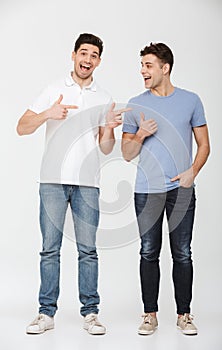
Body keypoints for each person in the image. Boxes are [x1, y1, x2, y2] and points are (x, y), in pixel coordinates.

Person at [17, 33, 129, 335]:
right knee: (49, 250)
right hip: (52, 181)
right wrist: (47, 114)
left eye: (94, 56)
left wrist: (109, 129)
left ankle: (90, 312)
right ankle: (45, 313)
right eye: (83, 53)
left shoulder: (104, 97)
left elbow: (106, 148)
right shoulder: (54, 89)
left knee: (88, 250)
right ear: (73, 55)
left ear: (99, 61)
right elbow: (21, 127)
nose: (87, 60)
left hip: (87, 184)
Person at [122, 42, 210, 336]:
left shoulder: (191, 101)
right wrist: (141, 133)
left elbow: (204, 145)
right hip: (146, 191)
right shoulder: (135, 104)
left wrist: (192, 172)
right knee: (148, 252)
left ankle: (184, 315)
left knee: (182, 253)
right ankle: (150, 315)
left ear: (165, 68)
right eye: (142, 65)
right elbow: (125, 152)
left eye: (148, 65)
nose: (142, 71)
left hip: (181, 190)